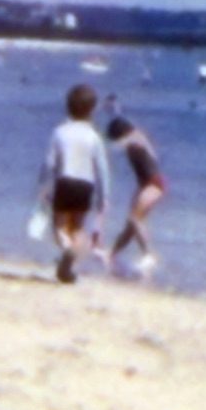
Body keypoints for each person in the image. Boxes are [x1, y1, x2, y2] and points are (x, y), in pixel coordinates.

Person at [36, 84, 111, 284]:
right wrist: (104, 196)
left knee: (59, 227)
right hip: (86, 185)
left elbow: (49, 163)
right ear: (92, 110)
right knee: (77, 227)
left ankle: (67, 250)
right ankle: (68, 269)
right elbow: (102, 169)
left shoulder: (60, 132)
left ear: (67, 107)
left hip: (65, 181)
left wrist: (43, 185)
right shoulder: (94, 136)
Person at [104, 117, 166, 279]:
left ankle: (149, 255)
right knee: (131, 225)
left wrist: (106, 146)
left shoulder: (136, 137)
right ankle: (112, 255)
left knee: (135, 219)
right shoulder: (134, 138)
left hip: (154, 184)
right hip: (144, 185)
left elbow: (131, 141)